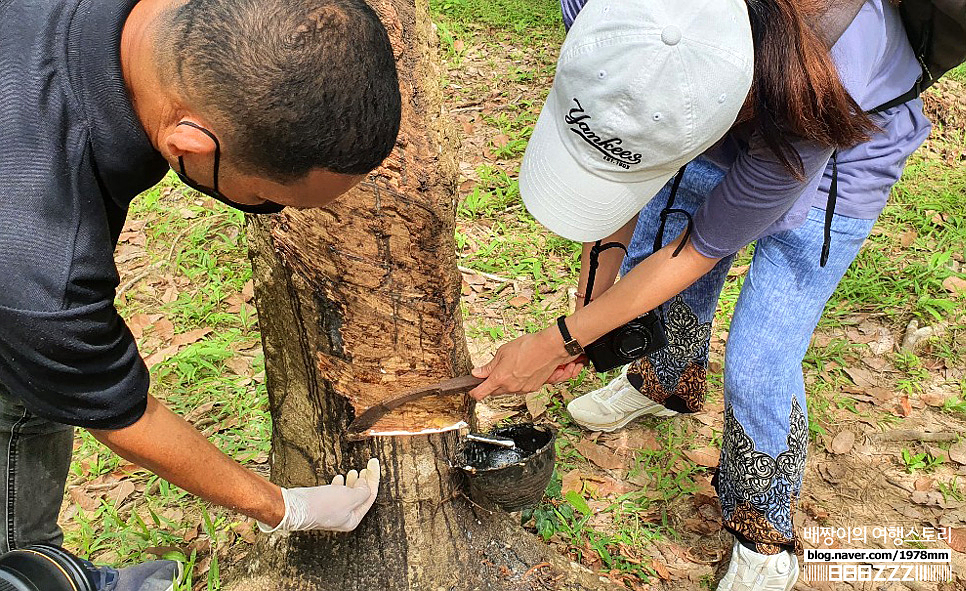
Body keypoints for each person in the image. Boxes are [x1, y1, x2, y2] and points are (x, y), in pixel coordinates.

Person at [468, 0, 932, 588]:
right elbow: (623, 165)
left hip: (840, 141)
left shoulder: (822, 86)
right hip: (729, 104)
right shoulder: (607, 20)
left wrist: (558, 341)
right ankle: (667, 381)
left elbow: (697, 250)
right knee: (651, 253)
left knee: (760, 359)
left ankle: (764, 530)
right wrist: (589, 305)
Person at [0, 0, 402, 587]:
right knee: (27, 427)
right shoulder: (42, 264)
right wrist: (284, 507)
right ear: (189, 144)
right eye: (272, 199)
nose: (268, 211)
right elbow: (121, 415)